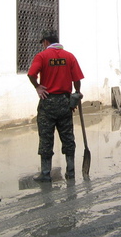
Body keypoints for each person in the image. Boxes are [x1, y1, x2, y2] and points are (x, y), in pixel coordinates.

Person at [28, 31, 84, 181]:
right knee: (67, 137)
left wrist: (38, 87)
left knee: (46, 138)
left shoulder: (42, 56)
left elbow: (31, 74)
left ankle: (45, 174)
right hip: (65, 103)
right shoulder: (69, 56)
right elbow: (77, 79)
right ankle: (70, 172)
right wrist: (76, 93)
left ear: (46, 42)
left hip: (48, 103)